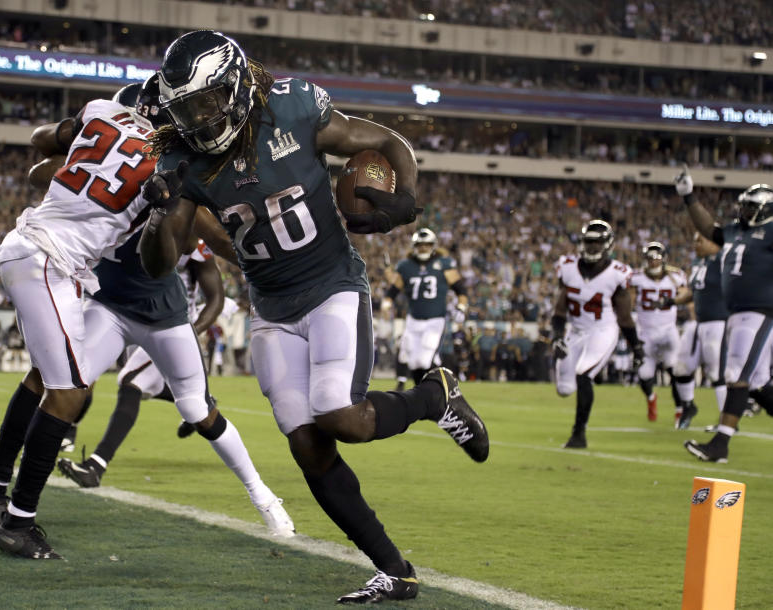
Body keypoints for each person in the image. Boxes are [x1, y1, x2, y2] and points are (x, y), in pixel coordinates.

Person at [142, 30, 488, 603]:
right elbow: (160, 263)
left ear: (233, 88)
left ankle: (435, 397)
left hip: (331, 285)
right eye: (186, 108)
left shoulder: (292, 106)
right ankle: (395, 570)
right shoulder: (182, 159)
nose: (198, 119)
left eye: (205, 102)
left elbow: (386, 139)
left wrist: (405, 197)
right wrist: (160, 213)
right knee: (307, 445)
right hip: (271, 306)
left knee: (340, 416)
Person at [0, 92, 182, 559]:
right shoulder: (173, 154)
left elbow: (46, 146)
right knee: (70, 393)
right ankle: (19, 524)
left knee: (45, 377)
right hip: (50, 259)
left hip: (35, 248)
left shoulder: (103, 110)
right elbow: (160, 258)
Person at [56, 224, 295, 537]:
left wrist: (190, 334)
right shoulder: (122, 215)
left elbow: (215, 297)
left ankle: (263, 496)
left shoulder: (190, 235)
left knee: (145, 388)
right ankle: (17, 499)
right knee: (69, 378)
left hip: (169, 323)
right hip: (121, 314)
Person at [676, 170, 773, 463]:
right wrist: (688, 197)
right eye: (743, 205)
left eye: (750, 207)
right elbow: (709, 229)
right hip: (736, 313)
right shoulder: (734, 231)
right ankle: (720, 443)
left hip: (760, 311)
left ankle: (720, 444)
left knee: (734, 374)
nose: (743, 211)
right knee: (756, 384)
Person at [552, 220, 643, 449]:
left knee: (583, 375)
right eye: (588, 242)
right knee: (564, 389)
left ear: (608, 244)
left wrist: (636, 347)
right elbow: (560, 309)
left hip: (603, 330)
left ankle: (578, 435)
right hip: (576, 331)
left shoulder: (617, 273)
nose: (592, 247)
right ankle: (597, 373)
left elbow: (624, 316)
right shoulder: (568, 266)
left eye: (597, 242)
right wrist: (556, 336)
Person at [384, 228, 468, 387]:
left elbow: (460, 289)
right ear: (414, 246)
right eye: (420, 245)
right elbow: (393, 290)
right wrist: (386, 303)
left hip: (435, 319)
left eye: (427, 245)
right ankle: (422, 391)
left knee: (424, 359)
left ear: (433, 245)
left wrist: (462, 306)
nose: (423, 248)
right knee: (414, 361)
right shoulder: (406, 266)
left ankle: (437, 390)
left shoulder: (444, 263)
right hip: (413, 318)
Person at [670, 232, 729, 430]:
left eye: (700, 240)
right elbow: (692, 292)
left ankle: (727, 420)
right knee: (681, 367)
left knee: (716, 372)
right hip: (698, 323)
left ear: (713, 242)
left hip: (719, 322)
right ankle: (688, 406)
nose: (695, 244)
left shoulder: (724, 260)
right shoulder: (698, 262)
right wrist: (671, 301)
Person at [628, 241, 687, 422]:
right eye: (650, 258)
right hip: (645, 331)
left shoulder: (676, 276)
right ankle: (651, 398)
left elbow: (685, 294)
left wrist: (675, 299)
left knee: (675, 370)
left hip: (669, 329)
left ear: (663, 259)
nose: (653, 262)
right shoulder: (635, 277)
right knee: (644, 375)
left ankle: (680, 410)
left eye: (656, 258)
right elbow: (629, 300)